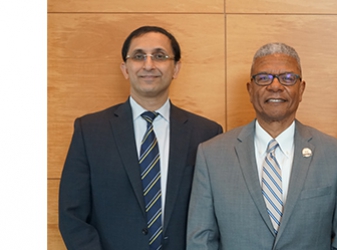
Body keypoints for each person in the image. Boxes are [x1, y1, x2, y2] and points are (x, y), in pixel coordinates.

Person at [58, 26, 223, 250]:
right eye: (138, 56)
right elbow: (72, 215)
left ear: (176, 68)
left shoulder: (206, 133)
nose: (148, 65)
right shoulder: (90, 130)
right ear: (125, 69)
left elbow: (214, 216)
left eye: (159, 56)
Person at [186, 42, 337, 249]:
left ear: (301, 89)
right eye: (263, 78)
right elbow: (201, 241)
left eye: (288, 78)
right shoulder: (212, 155)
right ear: (250, 90)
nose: (275, 86)